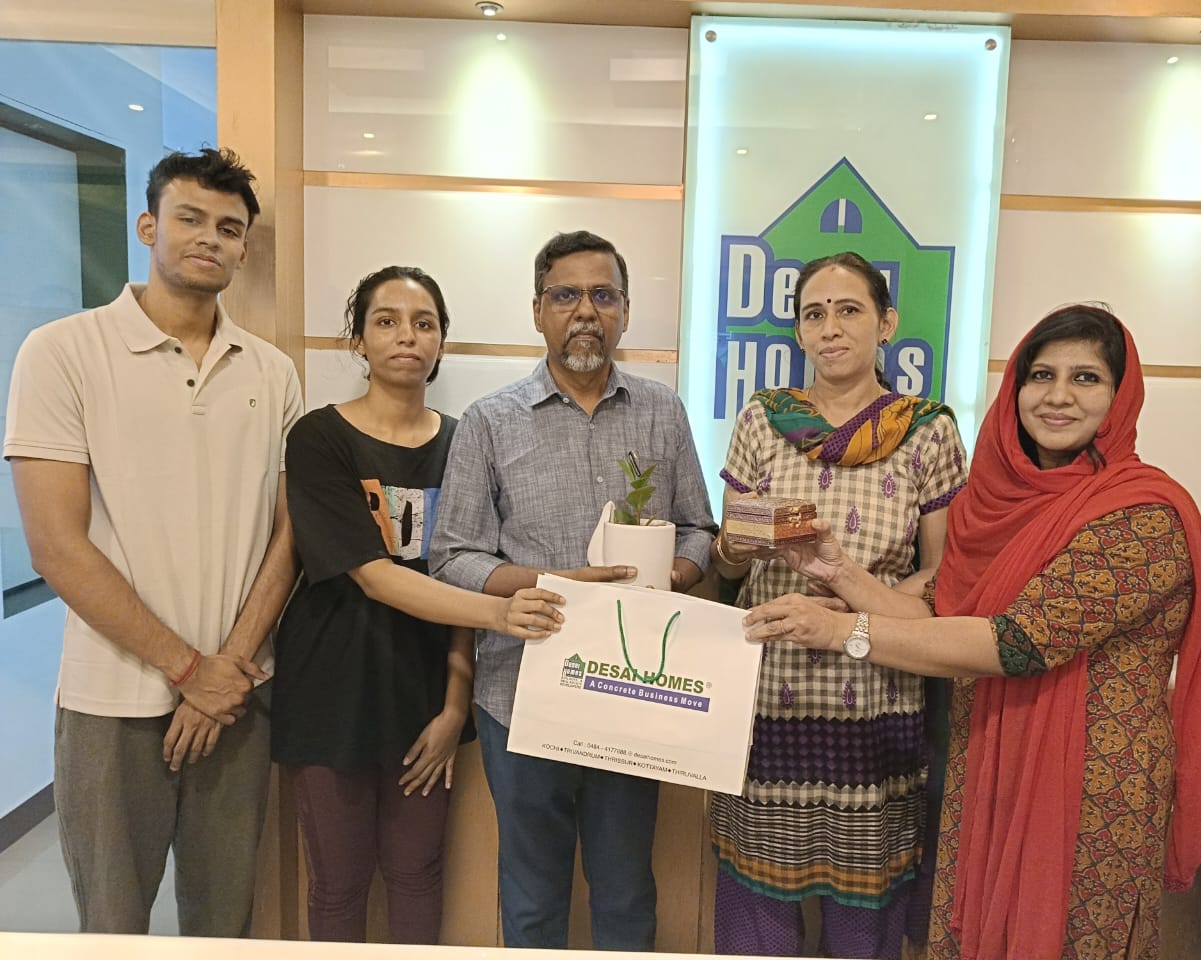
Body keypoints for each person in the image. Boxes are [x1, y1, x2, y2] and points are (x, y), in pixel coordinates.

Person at [743, 305, 1201, 960]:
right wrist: (838, 571)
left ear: (1120, 395)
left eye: (1085, 378)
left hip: (1089, 793)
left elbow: (1012, 643)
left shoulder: (1139, 514)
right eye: (1041, 375)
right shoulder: (995, 504)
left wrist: (839, 631)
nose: (1057, 395)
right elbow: (940, 612)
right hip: (990, 762)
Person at [4, 148, 301, 936]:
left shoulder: (273, 373)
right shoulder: (62, 352)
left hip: (238, 698)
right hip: (113, 698)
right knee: (113, 924)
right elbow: (56, 546)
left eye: (228, 228)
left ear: (243, 248)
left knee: (223, 921)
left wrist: (226, 670)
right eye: (190, 218)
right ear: (148, 226)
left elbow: (288, 536)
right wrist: (189, 670)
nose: (210, 238)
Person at [429, 230, 716, 949]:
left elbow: (699, 531)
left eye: (603, 295)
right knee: (531, 900)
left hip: (632, 689)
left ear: (625, 311)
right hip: (521, 692)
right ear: (538, 311)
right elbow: (452, 555)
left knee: (626, 893)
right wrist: (552, 584)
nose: (585, 311)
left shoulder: (662, 411)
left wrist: (669, 575)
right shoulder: (490, 421)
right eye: (565, 295)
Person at [270, 265, 564, 943]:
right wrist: (500, 614)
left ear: (441, 342)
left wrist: (455, 707)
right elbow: (374, 576)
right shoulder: (318, 438)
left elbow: (464, 576)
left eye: (423, 323)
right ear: (359, 340)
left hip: (426, 690)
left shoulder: (466, 439)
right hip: (329, 690)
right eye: (387, 321)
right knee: (338, 883)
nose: (407, 336)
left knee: (417, 872)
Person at [706, 252, 968, 959]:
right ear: (797, 331)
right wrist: (733, 545)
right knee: (759, 911)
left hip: (875, 697)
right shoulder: (764, 419)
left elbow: (942, 581)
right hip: (767, 696)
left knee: (864, 917)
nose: (830, 328)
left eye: (849, 310)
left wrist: (852, 604)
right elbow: (728, 561)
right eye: (813, 314)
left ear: (887, 323)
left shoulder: (928, 429)